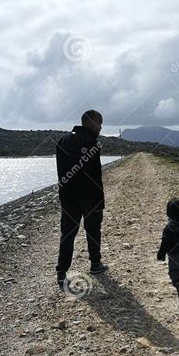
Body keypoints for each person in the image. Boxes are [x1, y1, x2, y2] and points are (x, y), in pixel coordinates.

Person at [55, 110, 108, 289]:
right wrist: (100, 201)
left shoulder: (63, 140)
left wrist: (63, 193)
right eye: (99, 123)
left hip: (68, 197)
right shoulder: (91, 142)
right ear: (89, 123)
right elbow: (95, 174)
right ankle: (95, 264)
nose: (100, 127)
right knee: (93, 231)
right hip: (89, 197)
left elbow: (60, 171)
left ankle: (61, 272)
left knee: (68, 234)